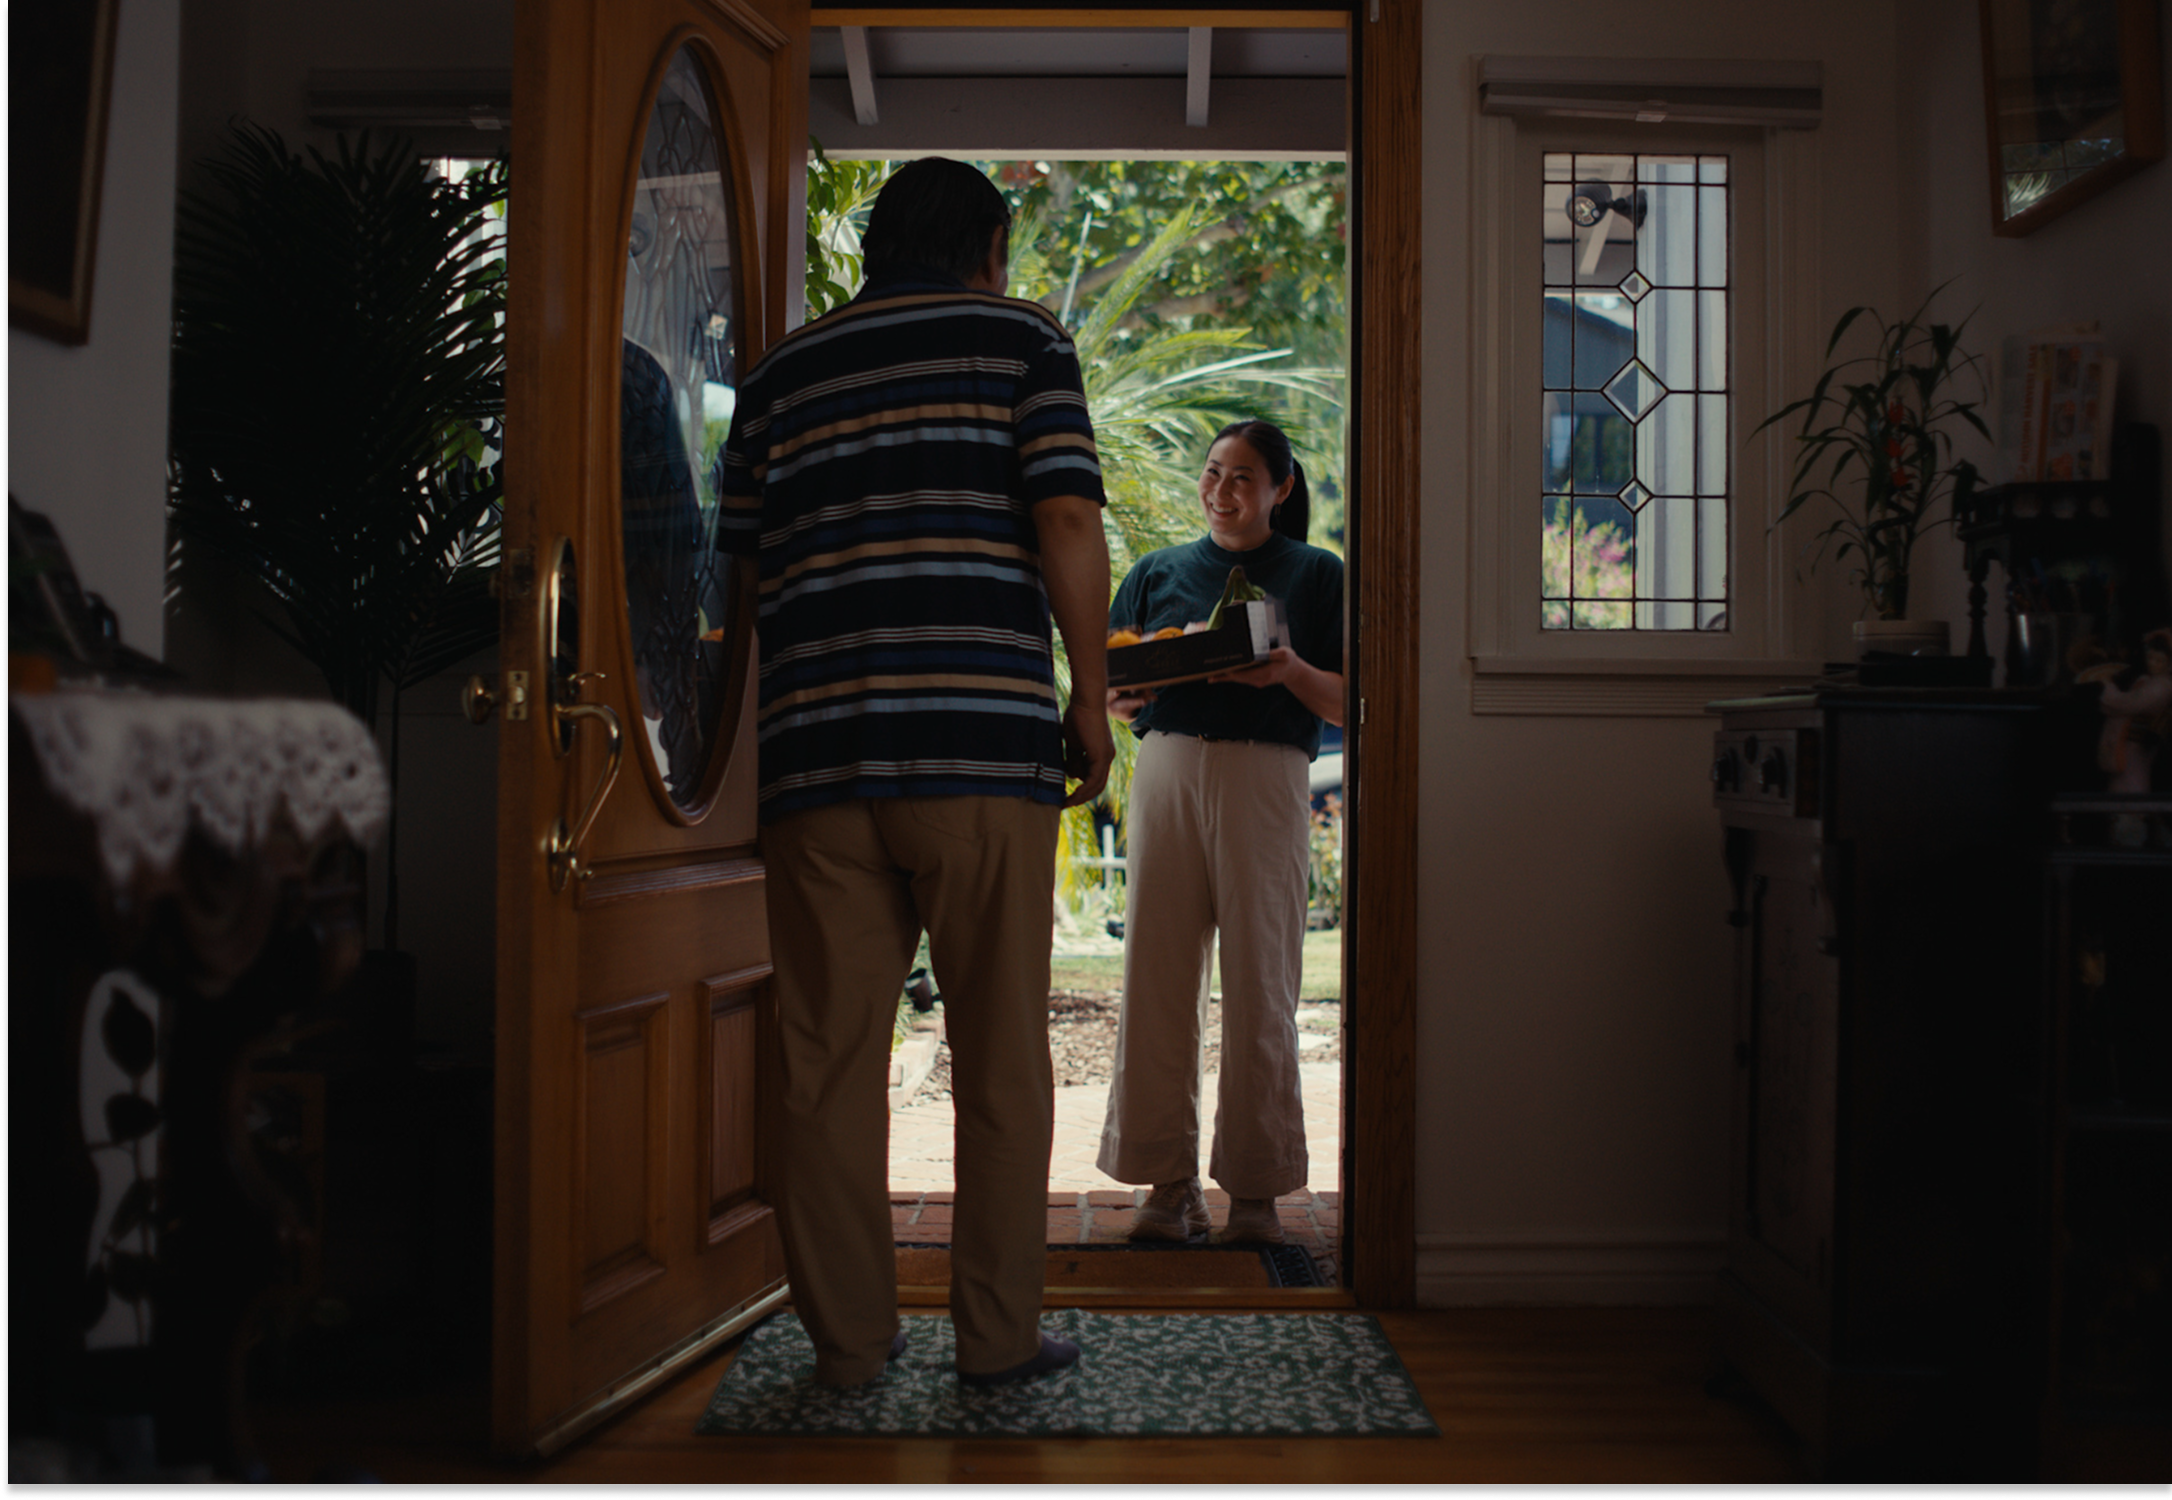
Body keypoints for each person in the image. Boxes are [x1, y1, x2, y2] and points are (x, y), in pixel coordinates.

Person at [715, 157, 1113, 1387]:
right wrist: (1091, 696)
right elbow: (1064, 518)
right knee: (998, 1066)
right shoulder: (1024, 344)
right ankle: (994, 1343)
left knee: (826, 1070)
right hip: (979, 749)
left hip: (815, 760)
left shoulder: (780, 373)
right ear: (987, 245)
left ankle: (848, 1346)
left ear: (879, 248)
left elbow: (737, 577)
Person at [1096, 418, 1345, 1244]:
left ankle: (1255, 1190)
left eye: (1243, 476)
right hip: (1167, 767)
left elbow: (1353, 701)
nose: (1222, 489)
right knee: (1157, 974)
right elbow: (1114, 685)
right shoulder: (1157, 572)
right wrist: (1121, 697)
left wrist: (1288, 671)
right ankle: (1166, 1186)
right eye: (1212, 472)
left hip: (1266, 773)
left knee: (1262, 977)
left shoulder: (1315, 575)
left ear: (1282, 488)